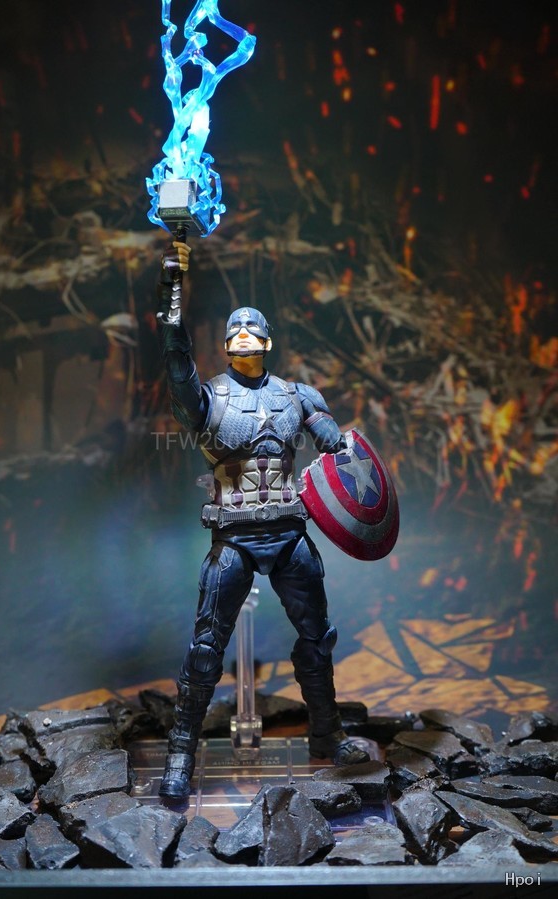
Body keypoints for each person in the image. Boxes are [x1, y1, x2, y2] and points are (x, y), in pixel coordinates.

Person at [157, 240, 369, 798]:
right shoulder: (208, 399)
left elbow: (337, 446)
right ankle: (180, 754)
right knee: (207, 647)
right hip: (234, 537)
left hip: (290, 533)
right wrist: (172, 303)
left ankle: (327, 734)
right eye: (237, 329)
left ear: (268, 341)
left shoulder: (298, 396)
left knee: (317, 637)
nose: (246, 333)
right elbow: (178, 369)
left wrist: (335, 439)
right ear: (226, 344)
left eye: (255, 328)